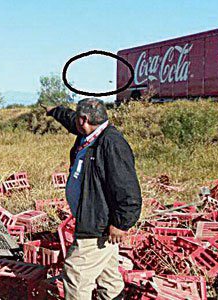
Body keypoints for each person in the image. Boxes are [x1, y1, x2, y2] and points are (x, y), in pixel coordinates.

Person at [42, 98, 142, 300]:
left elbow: (128, 189)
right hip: (94, 218)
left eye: (78, 119)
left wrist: (122, 223)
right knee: (108, 277)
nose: (75, 122)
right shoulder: (90, 132)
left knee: (75, 274)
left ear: (84, 119)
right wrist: (55, 111)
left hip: (97, 223)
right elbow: (72, 119)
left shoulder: (111, 144)